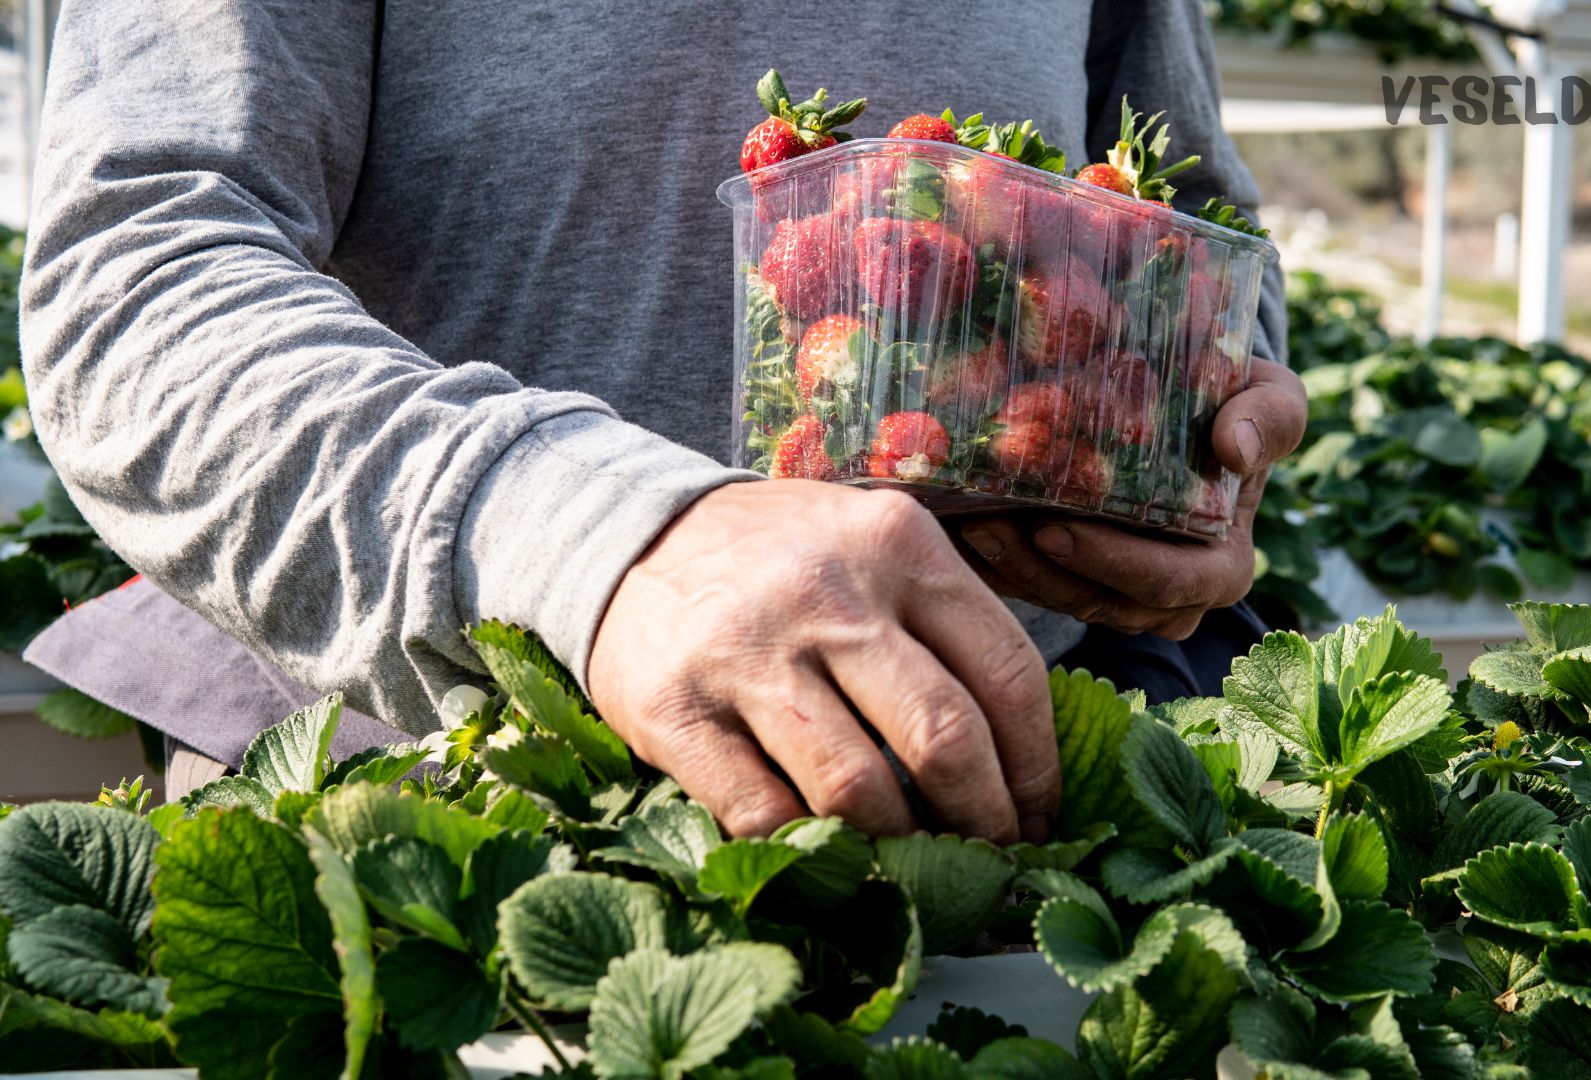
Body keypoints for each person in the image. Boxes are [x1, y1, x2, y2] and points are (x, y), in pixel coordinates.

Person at [21, 0, 1306, 842]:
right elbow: (134, 276)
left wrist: (1182, 424)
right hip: (433, 792)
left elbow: (1185, 216)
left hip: (1002, 777)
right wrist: (608, 540)